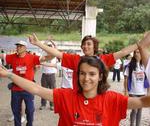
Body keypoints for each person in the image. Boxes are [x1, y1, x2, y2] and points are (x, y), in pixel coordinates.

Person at [1, 56, 150, 126]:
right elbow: (36, 88)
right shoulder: (66, 96)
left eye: (92, 74)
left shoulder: (113, 99)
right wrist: (9, 74)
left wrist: (144, 51)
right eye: (82, 73)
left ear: (100, 77)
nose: (86, 78)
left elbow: (143, 101)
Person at [28, 34, 140, 91]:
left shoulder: (103, 59)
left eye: (89, 44)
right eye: (84, 44)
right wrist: (38, 43)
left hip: (98, 98)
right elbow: (57, 53)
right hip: (78, 97)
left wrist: (140, 44)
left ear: (94, 46)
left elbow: (123, 52)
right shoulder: (76, 59)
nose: (85, 46)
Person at [0, 40, 52, 126]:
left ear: (25, 48)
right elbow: (2, 55)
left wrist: (53, 53)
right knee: (16, 110)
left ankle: (29, 124)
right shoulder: (12, 57)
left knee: (30, 110)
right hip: (16, 89)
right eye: (17, 46)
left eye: (20, 46)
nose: (18, 48)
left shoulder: (31, 57)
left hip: (29, 88)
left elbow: (46, 58)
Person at [124, 49, 149, 126]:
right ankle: (132, 124)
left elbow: (148, 79)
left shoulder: (145, 66)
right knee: (134, 110)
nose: (136, 54)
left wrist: (148, 92)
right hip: (133, 91)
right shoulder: (129, 66)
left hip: (142, 92)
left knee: (140, 110)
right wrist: (126, 91)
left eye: (138, 52)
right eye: (135, 52)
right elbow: (126, 79)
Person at [39, 43, 57, 111]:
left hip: (51, 75)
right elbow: (42, 46)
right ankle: (43, 104)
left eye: (49, 48)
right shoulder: (43, 55)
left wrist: (51, 42)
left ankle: (52, 105)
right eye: (47, 48)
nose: (48, 49)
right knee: (43, 91)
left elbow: (56, 48)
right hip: (44, 75)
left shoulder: (54, 55)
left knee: (52, 91)